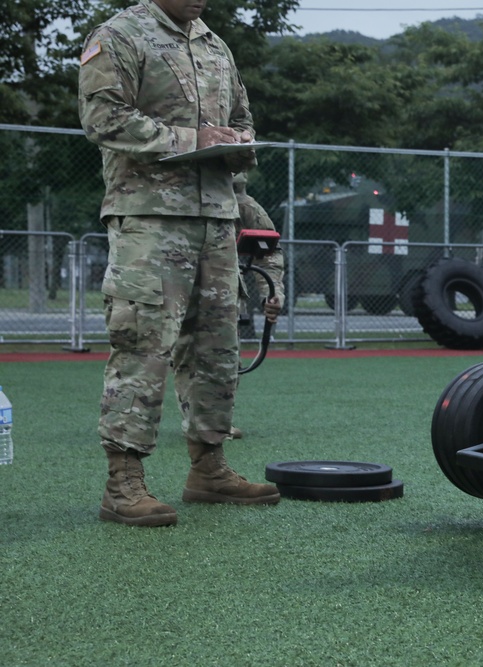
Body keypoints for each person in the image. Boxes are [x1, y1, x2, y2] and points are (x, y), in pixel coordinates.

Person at [79, 0, 280, 527]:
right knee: (142, 340)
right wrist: (193, 140)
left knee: (217, 345)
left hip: (216, 214)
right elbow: (103, 118)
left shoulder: (215, 45)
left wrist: (237, 142)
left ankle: (209, 469)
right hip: (149, 217)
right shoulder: (121, 34)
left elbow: (240, 117)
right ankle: (122, 485)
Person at [230, 172, 286, 439]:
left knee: (223, 355)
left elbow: (269, 253)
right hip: (169, 288)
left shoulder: (243, 205)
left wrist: (272, 295)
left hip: (222, 294)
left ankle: (213, 423)